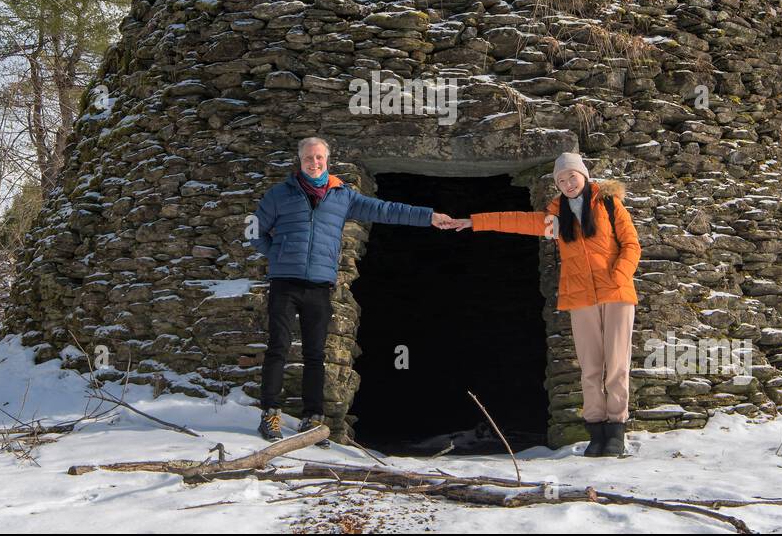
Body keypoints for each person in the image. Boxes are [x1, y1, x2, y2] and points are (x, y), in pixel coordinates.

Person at [249, 137, 456, 442]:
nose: (314, 163)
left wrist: (429, 217)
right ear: (300, 161)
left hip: (319, 285)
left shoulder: (342, 196)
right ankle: (270, 414)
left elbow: (386, 209)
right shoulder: (279, 195)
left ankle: (313, 417)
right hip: (285, 283)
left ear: (327, 160)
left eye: (319, 157)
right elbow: (253, 228)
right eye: (308, 158)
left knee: (315, 353)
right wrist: (278, 255)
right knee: (278, 347)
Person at [446, 153, 641, 457]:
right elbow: (516, 221)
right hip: (581, 298)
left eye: (571, 177)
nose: (567, 184)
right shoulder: (556, 218)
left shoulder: (608, 204)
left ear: (584, 175)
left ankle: (615, 430)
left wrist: (619, 274)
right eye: (561, 180)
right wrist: (474, 221)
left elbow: (631, 244)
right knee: (590, 367)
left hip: (616, 294)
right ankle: (596, 431)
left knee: (616, 365)